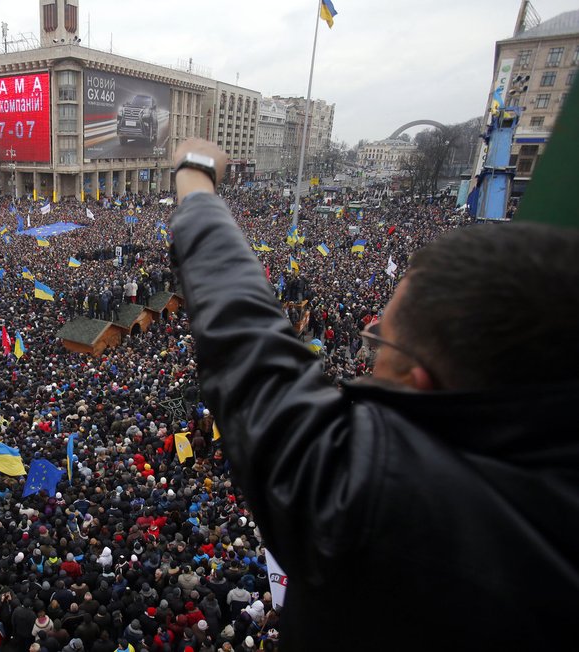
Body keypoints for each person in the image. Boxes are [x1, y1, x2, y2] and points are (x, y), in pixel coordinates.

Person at [167, 137, 579, 649]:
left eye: (380, 339)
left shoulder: (373, 499)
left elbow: (240, 329)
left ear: (420, 382)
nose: (368, 350)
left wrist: (196, 174)